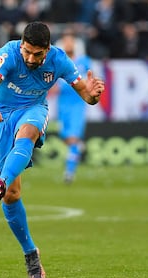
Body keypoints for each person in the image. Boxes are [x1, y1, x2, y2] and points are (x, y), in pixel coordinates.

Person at [0, 22, 104, 278]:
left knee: (29, 133)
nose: (31, 58)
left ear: (48, 49)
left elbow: (86, 95)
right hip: (0, 115)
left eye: (38, 54)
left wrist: (93, 96)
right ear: (21, 44)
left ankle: (0, 180)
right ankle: (30, 252)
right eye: (27, 52)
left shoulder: (59, 60)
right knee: (12, 195)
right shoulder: (9, 53)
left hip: (33, 109)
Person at [54, 30, 92, 184]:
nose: (68, 44)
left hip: (77, 105)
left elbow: (91, 78)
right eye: (66, 41)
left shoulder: (84, 61)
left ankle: (69, 173)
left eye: (71, 41)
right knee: (65, 136)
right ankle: (77, 147)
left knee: (72, 138)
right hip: (62, 105)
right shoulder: (59, 61)